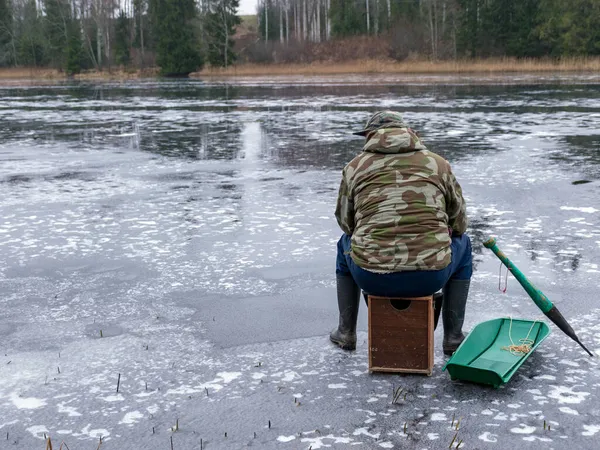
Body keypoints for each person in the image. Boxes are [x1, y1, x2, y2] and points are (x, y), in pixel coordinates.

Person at [330, 111, 472, 356]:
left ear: (370, 136)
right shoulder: (438, 164)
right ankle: (453, 338)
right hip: (430, 277)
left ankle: (346, 332)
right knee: (465, 244)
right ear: (410, 133)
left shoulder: (354, 167)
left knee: (344, 245)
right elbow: (459, 222)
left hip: (370, 277)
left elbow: (346, 224)